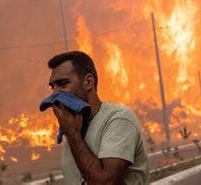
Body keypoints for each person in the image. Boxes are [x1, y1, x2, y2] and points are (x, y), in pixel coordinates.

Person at [47, 51, 149, 184]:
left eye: (63, 84)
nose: (55, 93)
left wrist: (72, 134)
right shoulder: (73, 126)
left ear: (88, 82)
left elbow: (104, 182)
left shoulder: (118, 119)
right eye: (52, 87)